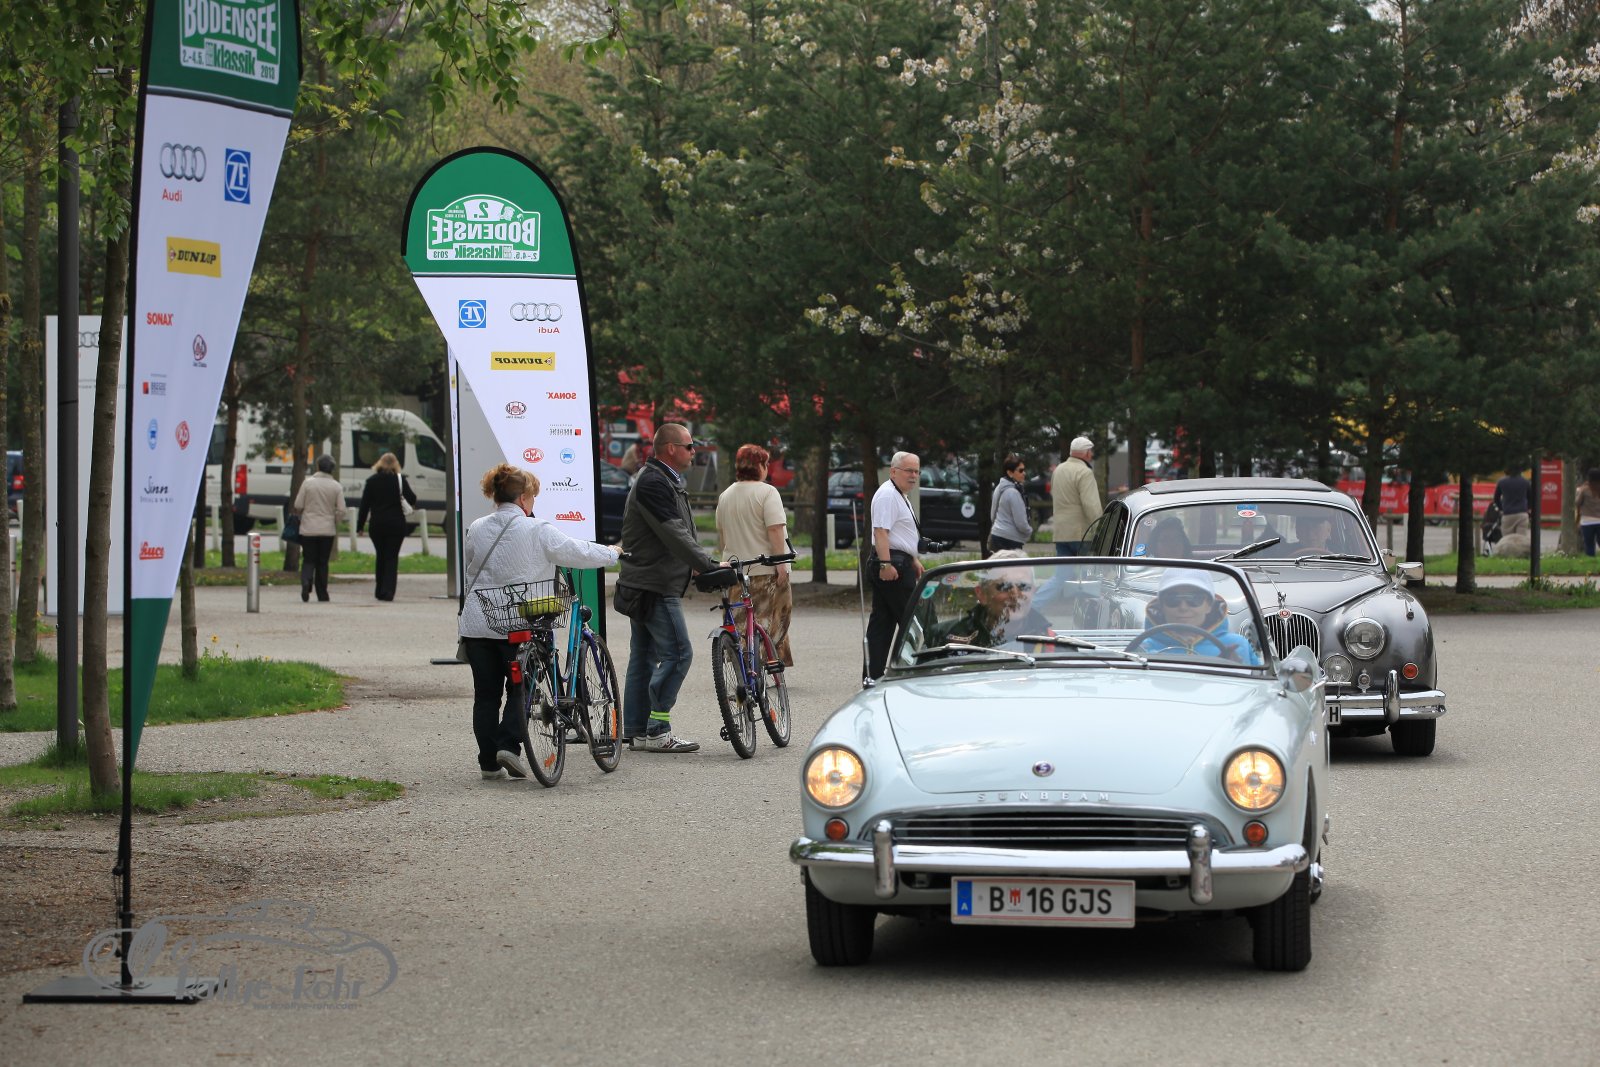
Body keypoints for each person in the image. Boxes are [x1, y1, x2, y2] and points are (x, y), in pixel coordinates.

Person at [459, 464, 622, 780]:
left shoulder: (477, 528)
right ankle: (508, 745)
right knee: (522, 689)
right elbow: (577, 551)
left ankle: (488, 763)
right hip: (521, 624)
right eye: (532, 496)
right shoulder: (537, 529)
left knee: (486, 696)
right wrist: (612, 553)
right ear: (523, 497)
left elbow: (471, 567)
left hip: (479, 623)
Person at [616, 422, 719, 752]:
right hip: (655, 584)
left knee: (644, 657)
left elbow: (678, 532)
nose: (694, 452)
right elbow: (674, 531)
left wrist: (696, 562)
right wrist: (707, 565)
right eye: (689, 446)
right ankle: (658, 730)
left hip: (645, 581)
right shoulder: (653, 482)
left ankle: (636, 730)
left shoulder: (663, 479)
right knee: (679, 653)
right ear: (671, 449)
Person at [716, 443, 795, 665]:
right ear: (759, 465)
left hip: (736, 571)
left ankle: (743, 666)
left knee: (741, 623)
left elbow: (722, 535)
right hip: (766, 569)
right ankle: (769, 661)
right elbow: (775, 529)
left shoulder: (725, 495)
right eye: (766, 463)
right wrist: (781, 563)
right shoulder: (767, 492)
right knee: (775, 618)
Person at [867, 451, 924, 678]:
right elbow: (881, 531)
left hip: (900, 562)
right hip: (893, 565)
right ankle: (916, 673)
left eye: (916, 471)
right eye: (909, 471)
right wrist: (885, 564)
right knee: (914, 622)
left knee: (882, 625)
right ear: (893, 471)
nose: (913, 476)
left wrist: (913, 558)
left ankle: (873, 676)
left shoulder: (899, 494)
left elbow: (901, 533)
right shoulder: (888, 495)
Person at [927, 550, 1049, 650]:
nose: (1015, 594)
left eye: (1023, 586)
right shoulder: (944, 637)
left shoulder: (1051, 642)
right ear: (982, 594)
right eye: (1004, 586)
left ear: (1034, 591)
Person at [1137, 569, 1260, 665]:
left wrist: (1237, 667)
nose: (1183, 607)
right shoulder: (1142, 649)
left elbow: (1260, 683)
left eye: (1195, 599)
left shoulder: (1238, 644)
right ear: (1161, 606)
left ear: (1209, 605)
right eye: (1172, 599)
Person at [357, 451, 417, 602]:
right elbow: (412, 498)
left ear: (379, 463)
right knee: (391, 557)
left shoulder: (372, 481)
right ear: (396, 464)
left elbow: (364, 505)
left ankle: (379, 590)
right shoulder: (400, 480)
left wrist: (360, 526)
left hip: (377, 525)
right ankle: (388, 590)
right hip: (396, 524)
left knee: (381, 555)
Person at [292, 454, 346, 603]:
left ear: (317, 466)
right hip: (327, 530)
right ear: (332, 469)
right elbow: (342, 510)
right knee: (323, 562)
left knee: (308, 559)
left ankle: (306, 582)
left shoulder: (307, 483)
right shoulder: (336, 486)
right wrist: (334, 520)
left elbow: (298, 505)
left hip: (308, 528)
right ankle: (322, 594)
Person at [1051, 436, 1101, 555]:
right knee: (1085, 567)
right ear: (1087, 453)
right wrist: (1100, 528)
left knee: (1064, 567)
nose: (1092, 454)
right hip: (1080, 533)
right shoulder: (1085, 472)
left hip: (1060, 533)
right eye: (1091, 451)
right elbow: (1091, 505)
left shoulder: (1058, 470)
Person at [988, 455, 1032, 554]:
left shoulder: (999, 488)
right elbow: (1021, 523)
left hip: (996, 535)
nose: (1024, 473)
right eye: (1020, 471)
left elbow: (992, 515)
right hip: (1010, 540)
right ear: (1010, 473)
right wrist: (1029, 531)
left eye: (1024, 470)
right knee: (1013, 564)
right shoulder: (1014, 493)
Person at [1493, 468, 1532, 538]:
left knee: (1507, 539)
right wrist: (1528, 508)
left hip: (1507, 514)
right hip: (1522, 514)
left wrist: (1501, 509)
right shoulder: (1525, 482)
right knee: (1521, 539)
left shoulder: (1501, 482)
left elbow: (1496, 499)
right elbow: (1531, 498)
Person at [1576, 468, 1600, 557]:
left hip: (1587, 521)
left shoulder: (1585, 490)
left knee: (1589, 544)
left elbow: (1577, 502)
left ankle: (1591, 560)